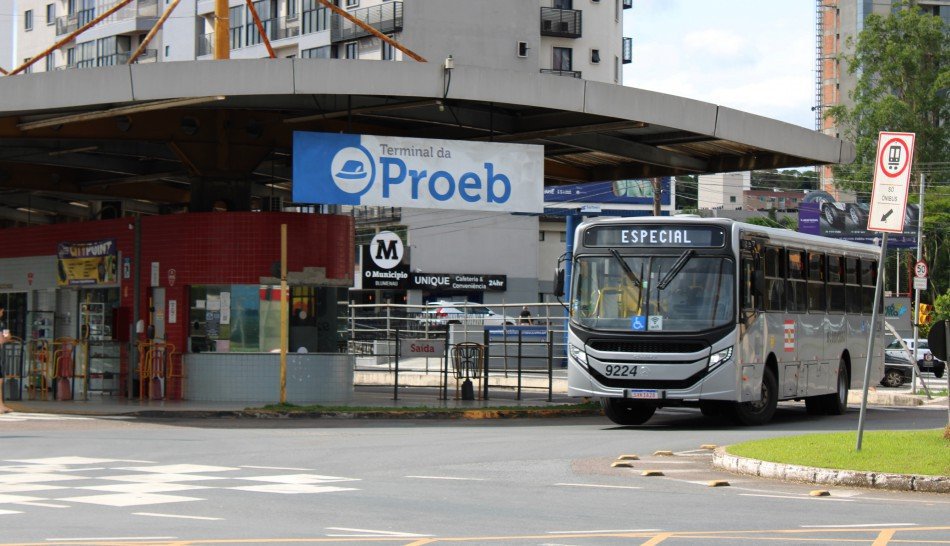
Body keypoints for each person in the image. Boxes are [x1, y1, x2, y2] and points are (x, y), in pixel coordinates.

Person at [0, 306, 12, 414]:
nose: (2, 313)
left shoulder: (2, 324)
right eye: (2, 311)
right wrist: (5, 338)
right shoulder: (2, 324)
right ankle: (0, 406)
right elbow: (6, 337)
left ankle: (1, 405)